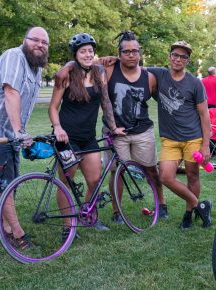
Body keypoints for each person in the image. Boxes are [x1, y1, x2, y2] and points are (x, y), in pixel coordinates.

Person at [55, 31, 168, 224]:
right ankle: (109, 213)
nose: (131, 55)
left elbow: (107, 99)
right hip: (94, 134)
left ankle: (161, 204)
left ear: (140, 52)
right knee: (110, 173)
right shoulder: (104, 69)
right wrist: (66, 66)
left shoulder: (147, 77)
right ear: (120, 53)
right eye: (126, 52)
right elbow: (83, 60)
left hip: (133, 131)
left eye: (135, 51)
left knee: (146, 171)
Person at [0, 26, 49, 248]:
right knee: (3, 183)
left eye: (44, 42)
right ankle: (17, 234)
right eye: (35, 40)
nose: (40, 45)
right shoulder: (14, 56)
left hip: (10, 133)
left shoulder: (37, 69)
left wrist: (17, 132)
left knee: (10, 180)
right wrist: (19, 132)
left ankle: (4, 223)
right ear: (25, 40)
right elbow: (11, 92)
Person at [49, 33, 125, 233]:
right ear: (75, 54)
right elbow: (53, 107)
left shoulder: (99, 72)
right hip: (67, 138)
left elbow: (106, 102)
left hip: (88, 137)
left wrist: (113, 126)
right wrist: (57, 127)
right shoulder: (66, 75)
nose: (87, 54)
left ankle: (88, 214)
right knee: (67, 182)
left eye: (90, 51)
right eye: (83, 51)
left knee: (94, 180)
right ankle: (68, 226)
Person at [147, 41, 212, 230]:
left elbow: (204, 114)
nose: (178, 59)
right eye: (175, 55)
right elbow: (133, 65)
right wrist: (111, 59)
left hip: (192, 138)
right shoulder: (160, 74)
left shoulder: (194, 83)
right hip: (169, 140)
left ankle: (188, 214)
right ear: (169, 57)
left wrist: (205, 144)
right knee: (166, 177)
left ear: (187, 61)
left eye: (183, 57)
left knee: (192, 176)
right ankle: (199, 204)